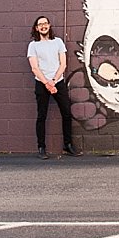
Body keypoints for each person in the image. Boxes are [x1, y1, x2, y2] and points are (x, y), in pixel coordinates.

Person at [27, 15, 81, 159]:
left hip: (58, 82)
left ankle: (68, 145)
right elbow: (34, 68)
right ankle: (41, 147)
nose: (43, 26)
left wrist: (54, 81)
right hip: (41, 83)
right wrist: (47, 83)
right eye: (40, 24)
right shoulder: (33, 45)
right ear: (36, 28)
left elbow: (63, 64)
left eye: (45, 23)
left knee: (66, 113)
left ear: (49, 25)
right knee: (41, 116)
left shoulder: (58, 42)